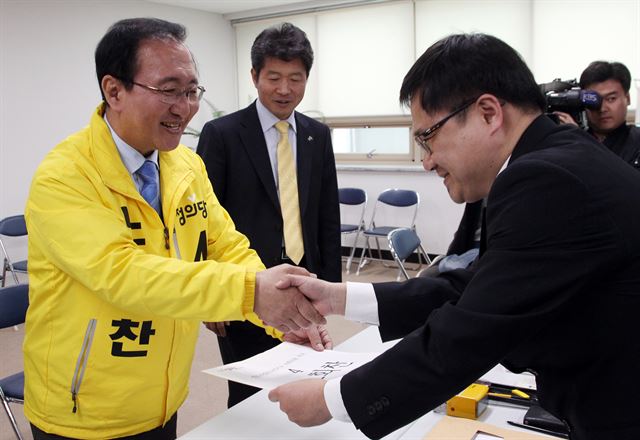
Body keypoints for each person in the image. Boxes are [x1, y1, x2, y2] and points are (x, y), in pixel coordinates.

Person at [268, 33, 640, 440]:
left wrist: (330, 400)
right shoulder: (555, 156)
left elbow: (469, 333)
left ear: (487, 112)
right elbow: (480, 285)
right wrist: (338, 297)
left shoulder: (544, 179)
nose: (427, 162)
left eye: (428, 137)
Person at [23, 18, 329, 440]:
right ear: (114, 91)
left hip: (163, 398)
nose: (184, 107)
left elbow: (227, 245)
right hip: (85, 412)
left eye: (191, 91)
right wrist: (248, 293)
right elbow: (122, 273)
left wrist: (281, 313)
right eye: (169, 90)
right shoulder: (65, 176)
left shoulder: (185, 165)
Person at [196, 22, 341, 406]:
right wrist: (212, 298)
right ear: (254, 76)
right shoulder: (222, 134)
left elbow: (327, 213)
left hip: (305, 279)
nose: (284, 89)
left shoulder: (316, 135)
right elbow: (201, 222)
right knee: (247, 390)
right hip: (245, 285)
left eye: (296, 78)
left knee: (304, 382)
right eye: (273, 77)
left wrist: (332, 287)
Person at [555, 61, 640, 169]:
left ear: (627, 98)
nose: (602, 108)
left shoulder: (636, 141)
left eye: (611, 99)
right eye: (593, 100)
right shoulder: (569, 140)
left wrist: (582, 143)